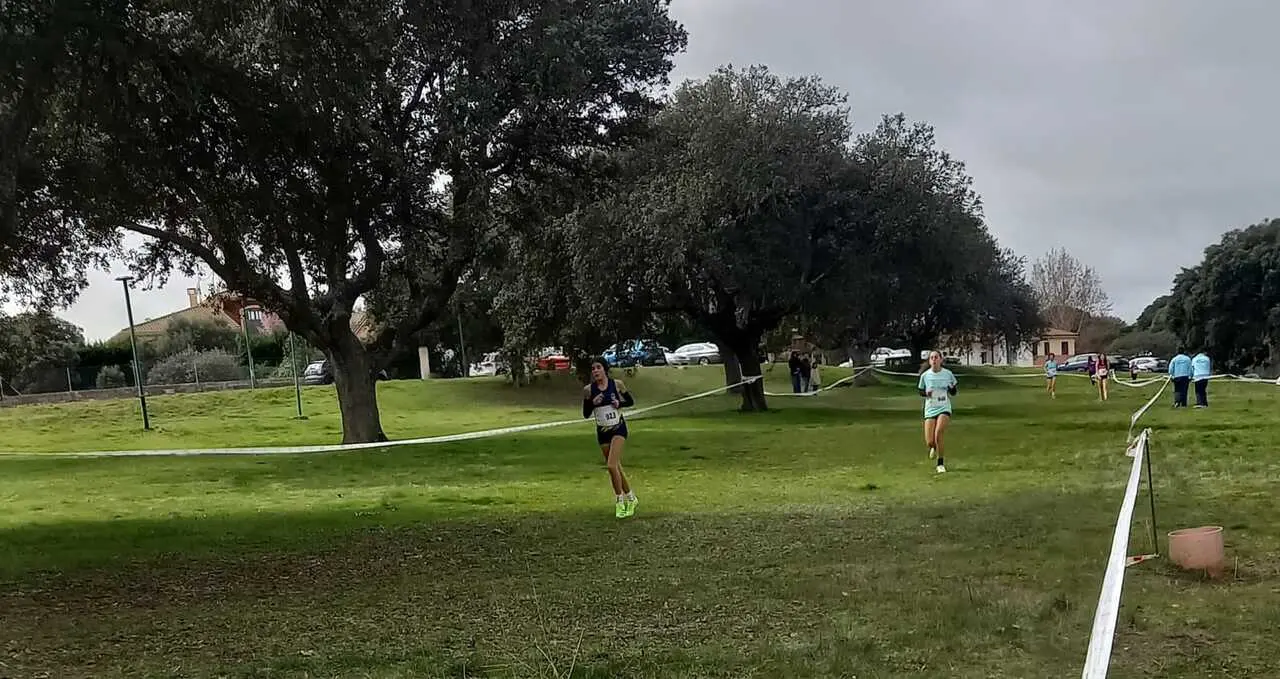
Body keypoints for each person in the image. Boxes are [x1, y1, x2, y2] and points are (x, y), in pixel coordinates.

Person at [582, 358, 637, 519]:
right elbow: (585, 414)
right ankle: (632, 498)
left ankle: (620, 502)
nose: (595, 371)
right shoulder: (588, 390)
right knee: (616, 468)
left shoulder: (617, 384)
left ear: (605, 369)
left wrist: (619, 403)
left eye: (598, 367)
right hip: (602, 431)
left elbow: (630, 402)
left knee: (611, 466)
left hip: (618, 428)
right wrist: (593, 402)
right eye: (593, 369)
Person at [917, 350, 958, 474]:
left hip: (944, 407)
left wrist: (951, 388)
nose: (934, 360)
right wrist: (926, 393)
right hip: (930, 408)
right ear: (929, 361)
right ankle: (933, 446)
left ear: (941, 360)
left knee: (939, 432)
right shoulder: (925, 376)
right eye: (932, 358)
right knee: (930, 440)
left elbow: (954, 392)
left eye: (936, 357)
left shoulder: (948, 374)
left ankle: (940, 464)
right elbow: (920, 391)